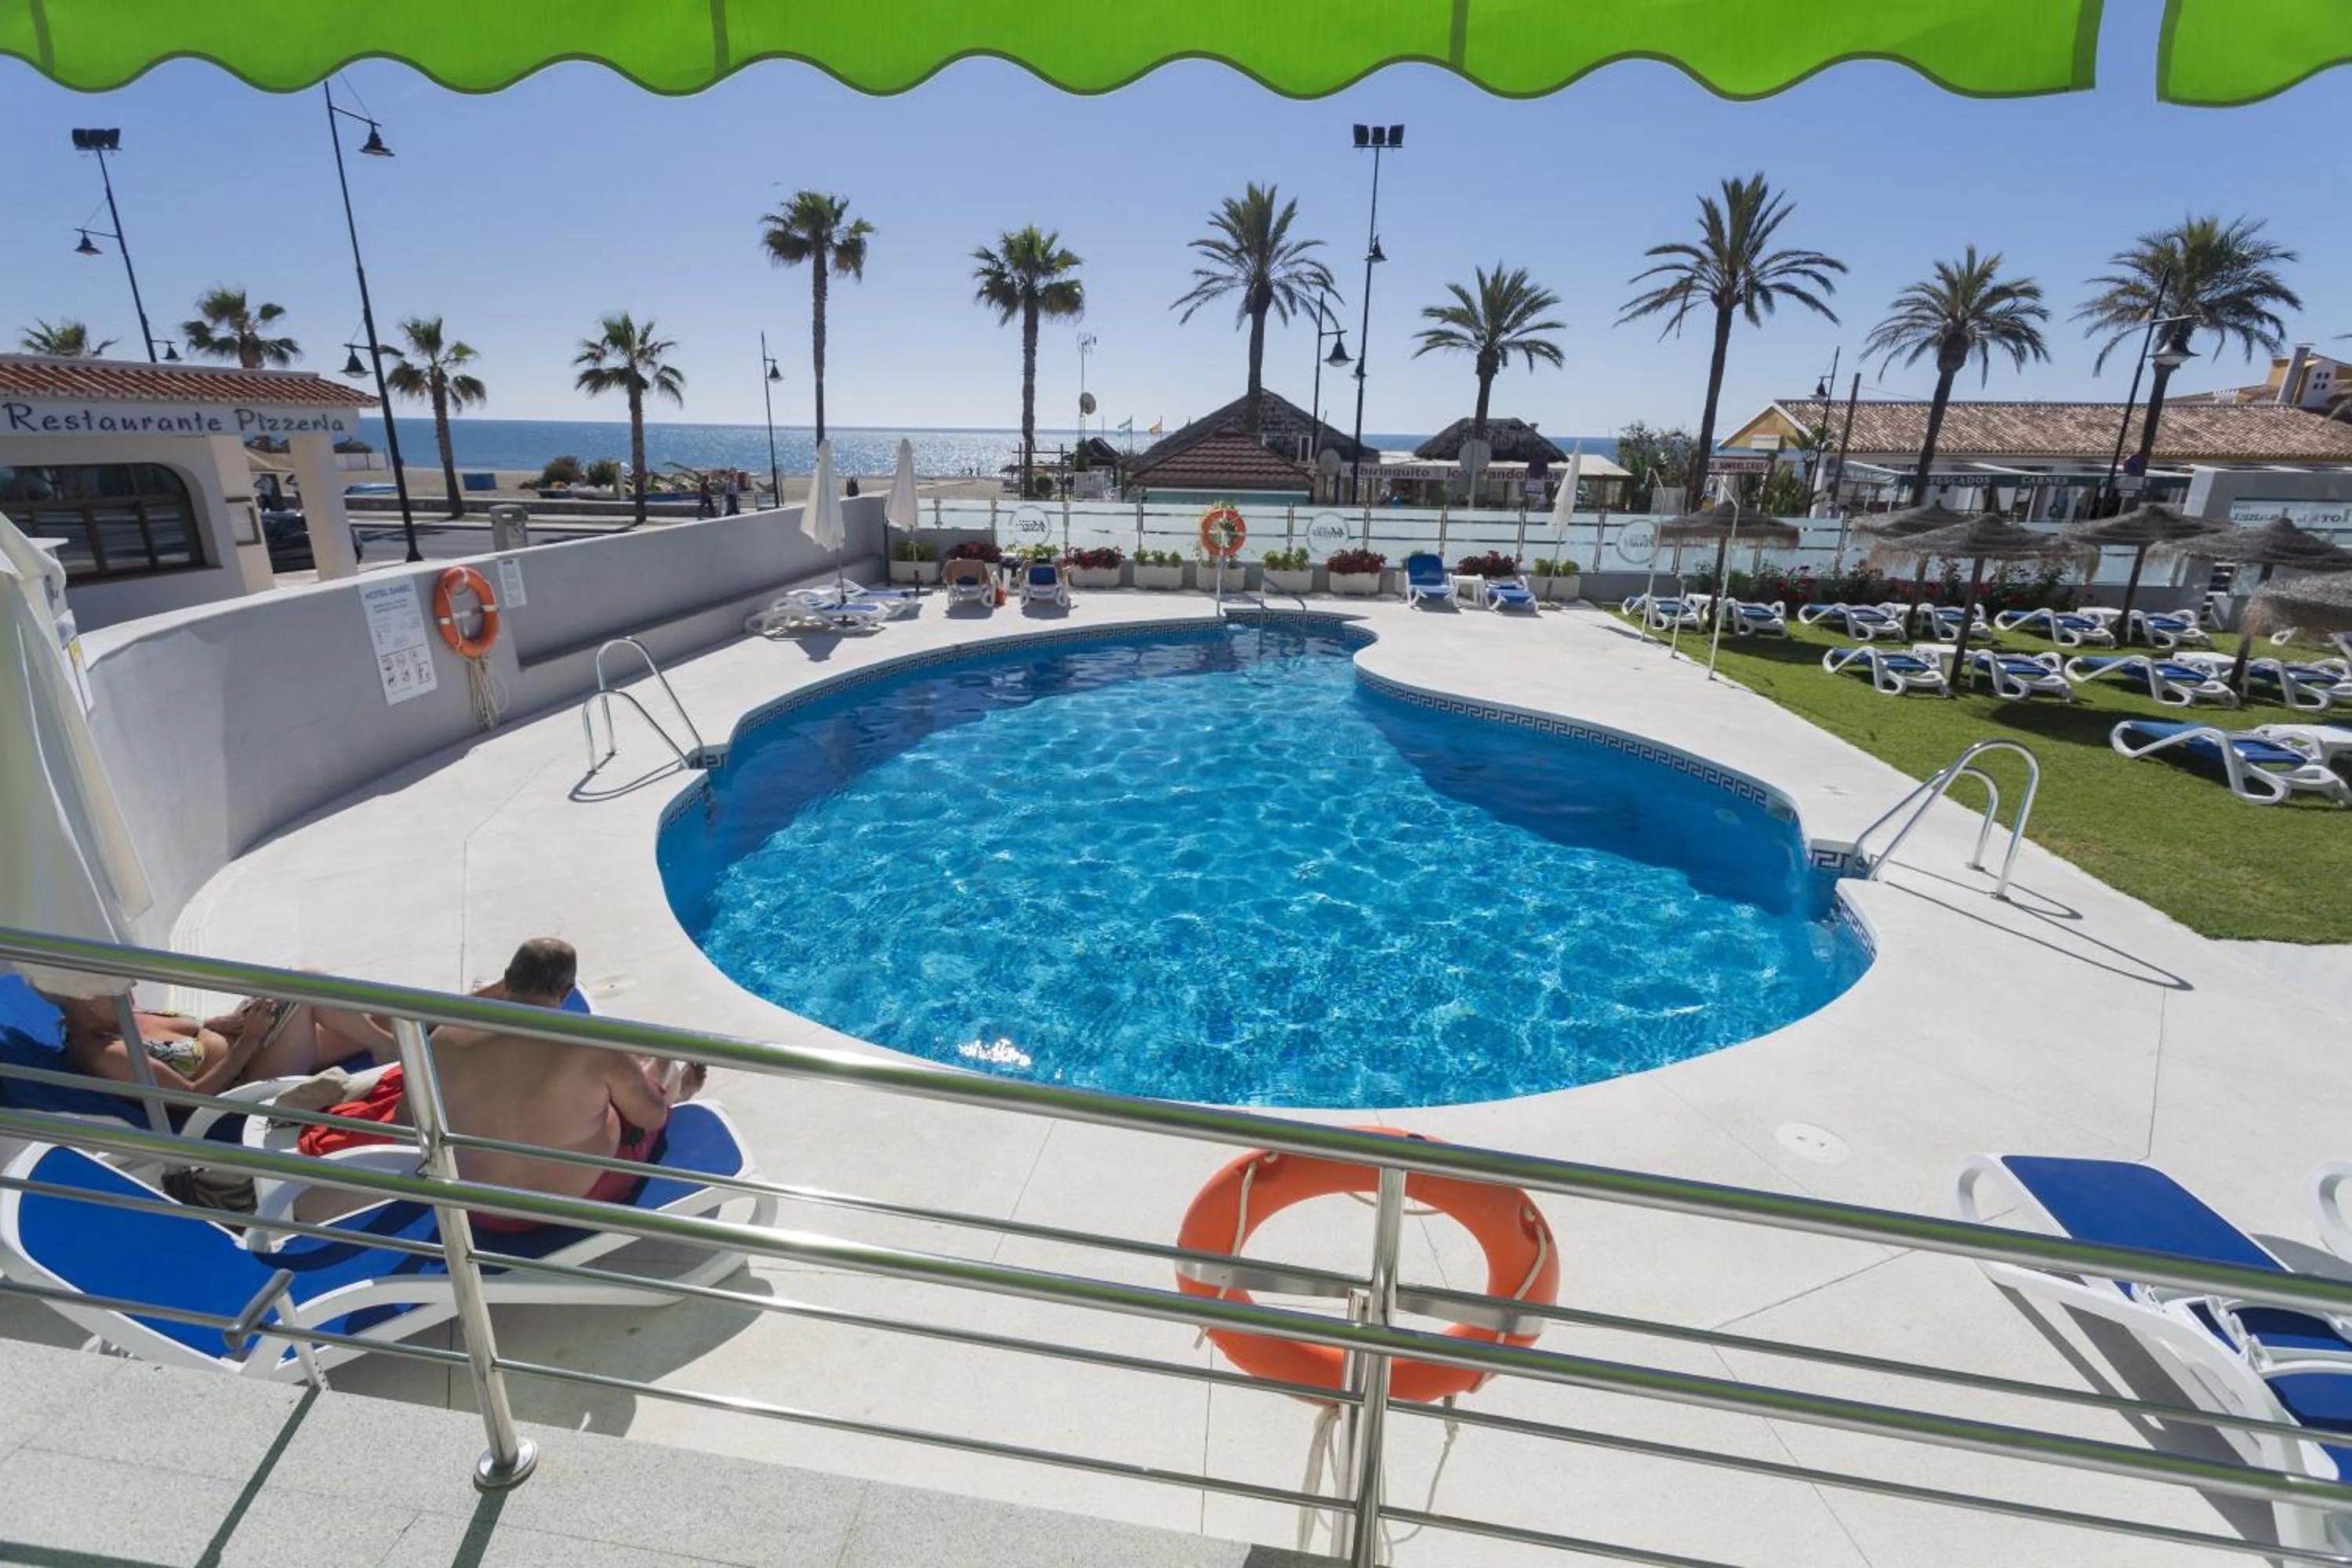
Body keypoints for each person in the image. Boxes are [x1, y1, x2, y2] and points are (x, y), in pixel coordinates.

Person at [297, 938, 701, 1225]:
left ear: (508, 978)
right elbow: (649, 1120)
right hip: (577, 1197)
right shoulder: (594, 1047)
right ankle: (668, 1074)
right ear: (566, 991)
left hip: (485, 1209)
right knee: (647, 1101)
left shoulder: (447, 1039)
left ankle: (657, 1070)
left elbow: (410, 1120)